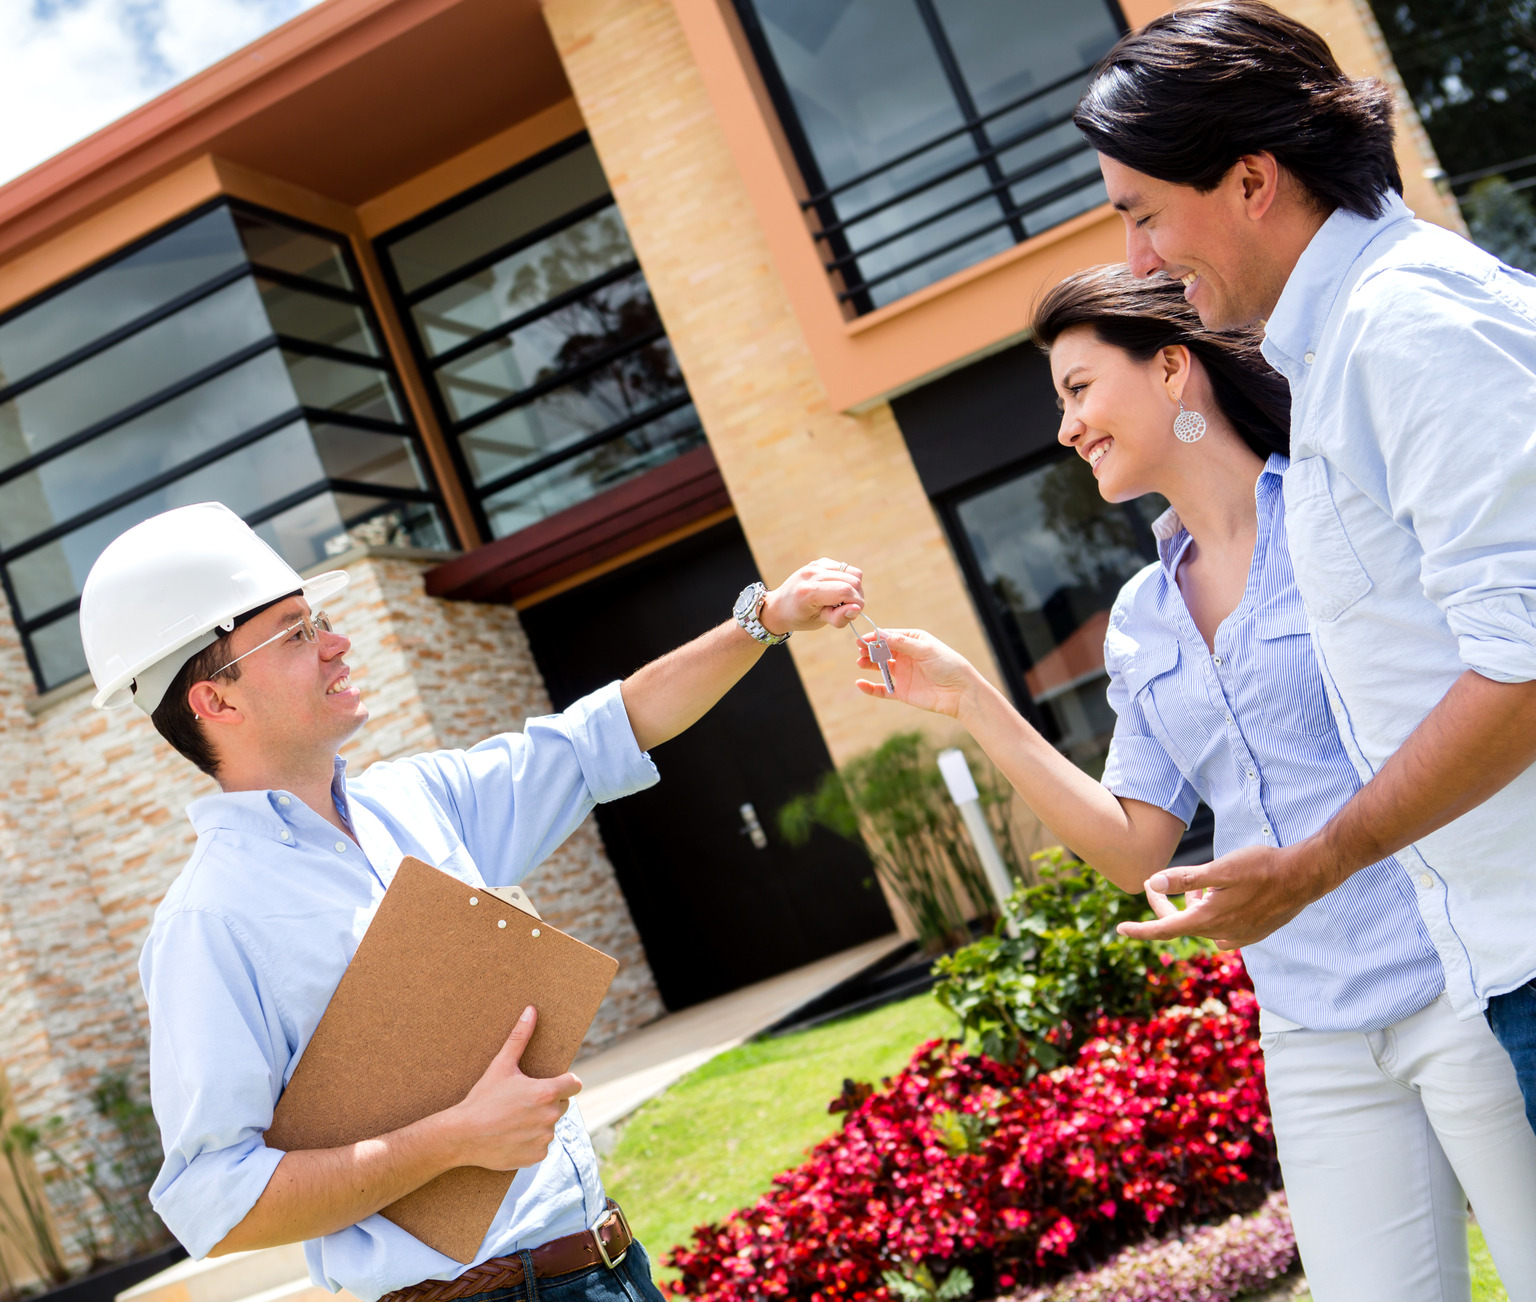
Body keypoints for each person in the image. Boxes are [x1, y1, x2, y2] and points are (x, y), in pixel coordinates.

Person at [854, 266, 1536, 1300]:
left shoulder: (1338, 517)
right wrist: (971, 701)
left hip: (1460, 982)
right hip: (1310, 1026)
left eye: (1079, 390)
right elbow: (1135, 845)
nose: (1067, 428)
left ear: (1173, 367)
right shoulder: (1142, 616)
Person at [78, 502, 866, 1302]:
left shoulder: (416, 801)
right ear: (216, 701)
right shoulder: (208, 923)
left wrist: (765, 620)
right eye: (296, 633)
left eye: (318, 619)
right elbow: (215, 1202)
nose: (337, 641)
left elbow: (604, 735)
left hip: (612, 1267)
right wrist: (452, 1141)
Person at [1070, 0, 1536, 1137]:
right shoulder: (1337, 352)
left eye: (1142, 215)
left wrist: (1320, 862)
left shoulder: (1406, 326)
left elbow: (1526, 660)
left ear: (1250, 180)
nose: (1135, 260)